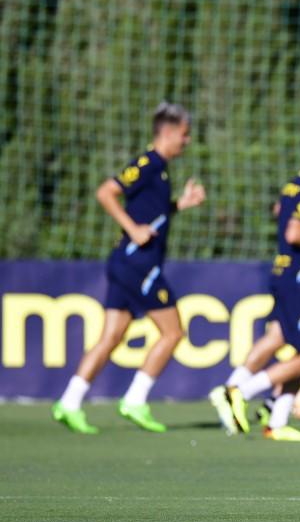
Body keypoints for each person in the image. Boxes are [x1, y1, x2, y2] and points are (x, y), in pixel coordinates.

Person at [53, 103, 205, 434]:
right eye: (184, 134)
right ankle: (135, 400)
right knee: (174, 332)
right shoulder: (148, 163)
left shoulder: (160, 168)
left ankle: (69, 402)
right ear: (167, 133)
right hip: (139, 262)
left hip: (127, 262)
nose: (187, 140)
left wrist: (181, 204)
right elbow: (107, 192)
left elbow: (153, 212)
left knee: (111, 337)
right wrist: (132, 228)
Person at [209, 124, 300, 441]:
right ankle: (238, 392)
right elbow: (294, 233)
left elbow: (289, 218)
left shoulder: (293, 188)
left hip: (286, 276)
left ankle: (278, 421)